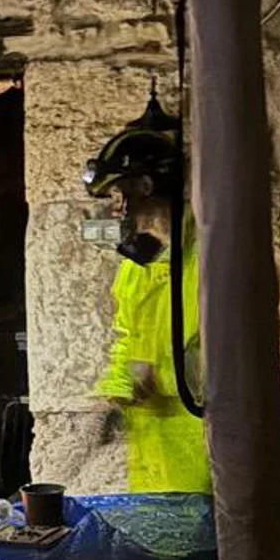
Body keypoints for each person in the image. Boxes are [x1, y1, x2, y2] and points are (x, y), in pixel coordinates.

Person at [84, 96, 211, 495]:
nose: (116, 208)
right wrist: (117, 391)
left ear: (146, 186)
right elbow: (128, 339)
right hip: (152, 454)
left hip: (199, 449)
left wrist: (161, 376)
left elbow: (222, 359)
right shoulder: (136, 266)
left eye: (119, 194)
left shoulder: (208, 262)